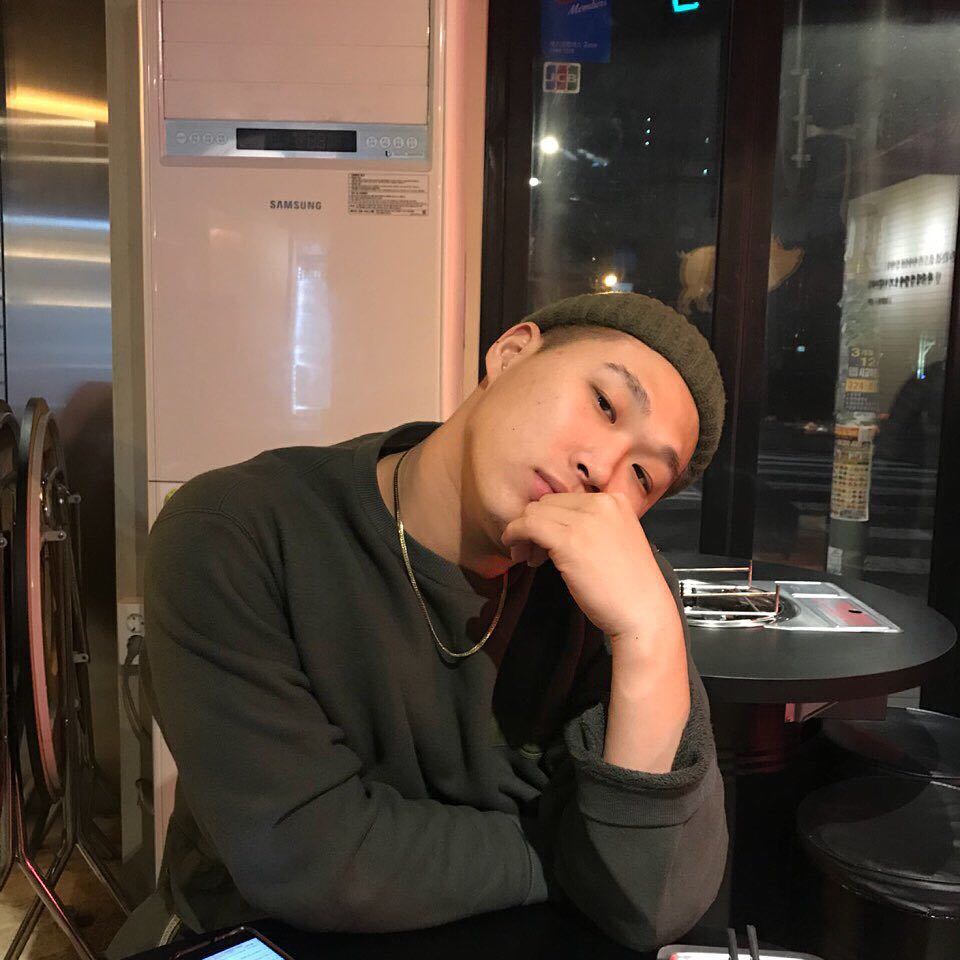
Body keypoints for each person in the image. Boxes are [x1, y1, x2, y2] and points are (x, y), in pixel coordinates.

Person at [110, 292, 728, 957]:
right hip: (257, 940)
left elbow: (653, 901)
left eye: (642, 475)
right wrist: (574, 858)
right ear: (511, 353)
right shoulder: (238, 530)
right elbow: (304, 858)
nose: (601, 469)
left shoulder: (620, 598)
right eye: (604, 403)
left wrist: (648, 637)